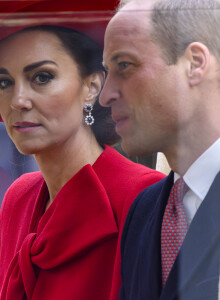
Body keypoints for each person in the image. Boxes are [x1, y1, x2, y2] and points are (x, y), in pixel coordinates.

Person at [0, 0, 165, 299]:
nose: (18, 100)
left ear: (91, 87)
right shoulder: (18, 198)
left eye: (42, 77)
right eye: (4, 82)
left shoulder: (142, 196)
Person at [100, 0, 220, 299]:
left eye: (124, 66)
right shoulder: (144, 210)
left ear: (194, 64)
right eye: (107, 72)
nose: (105, 95)